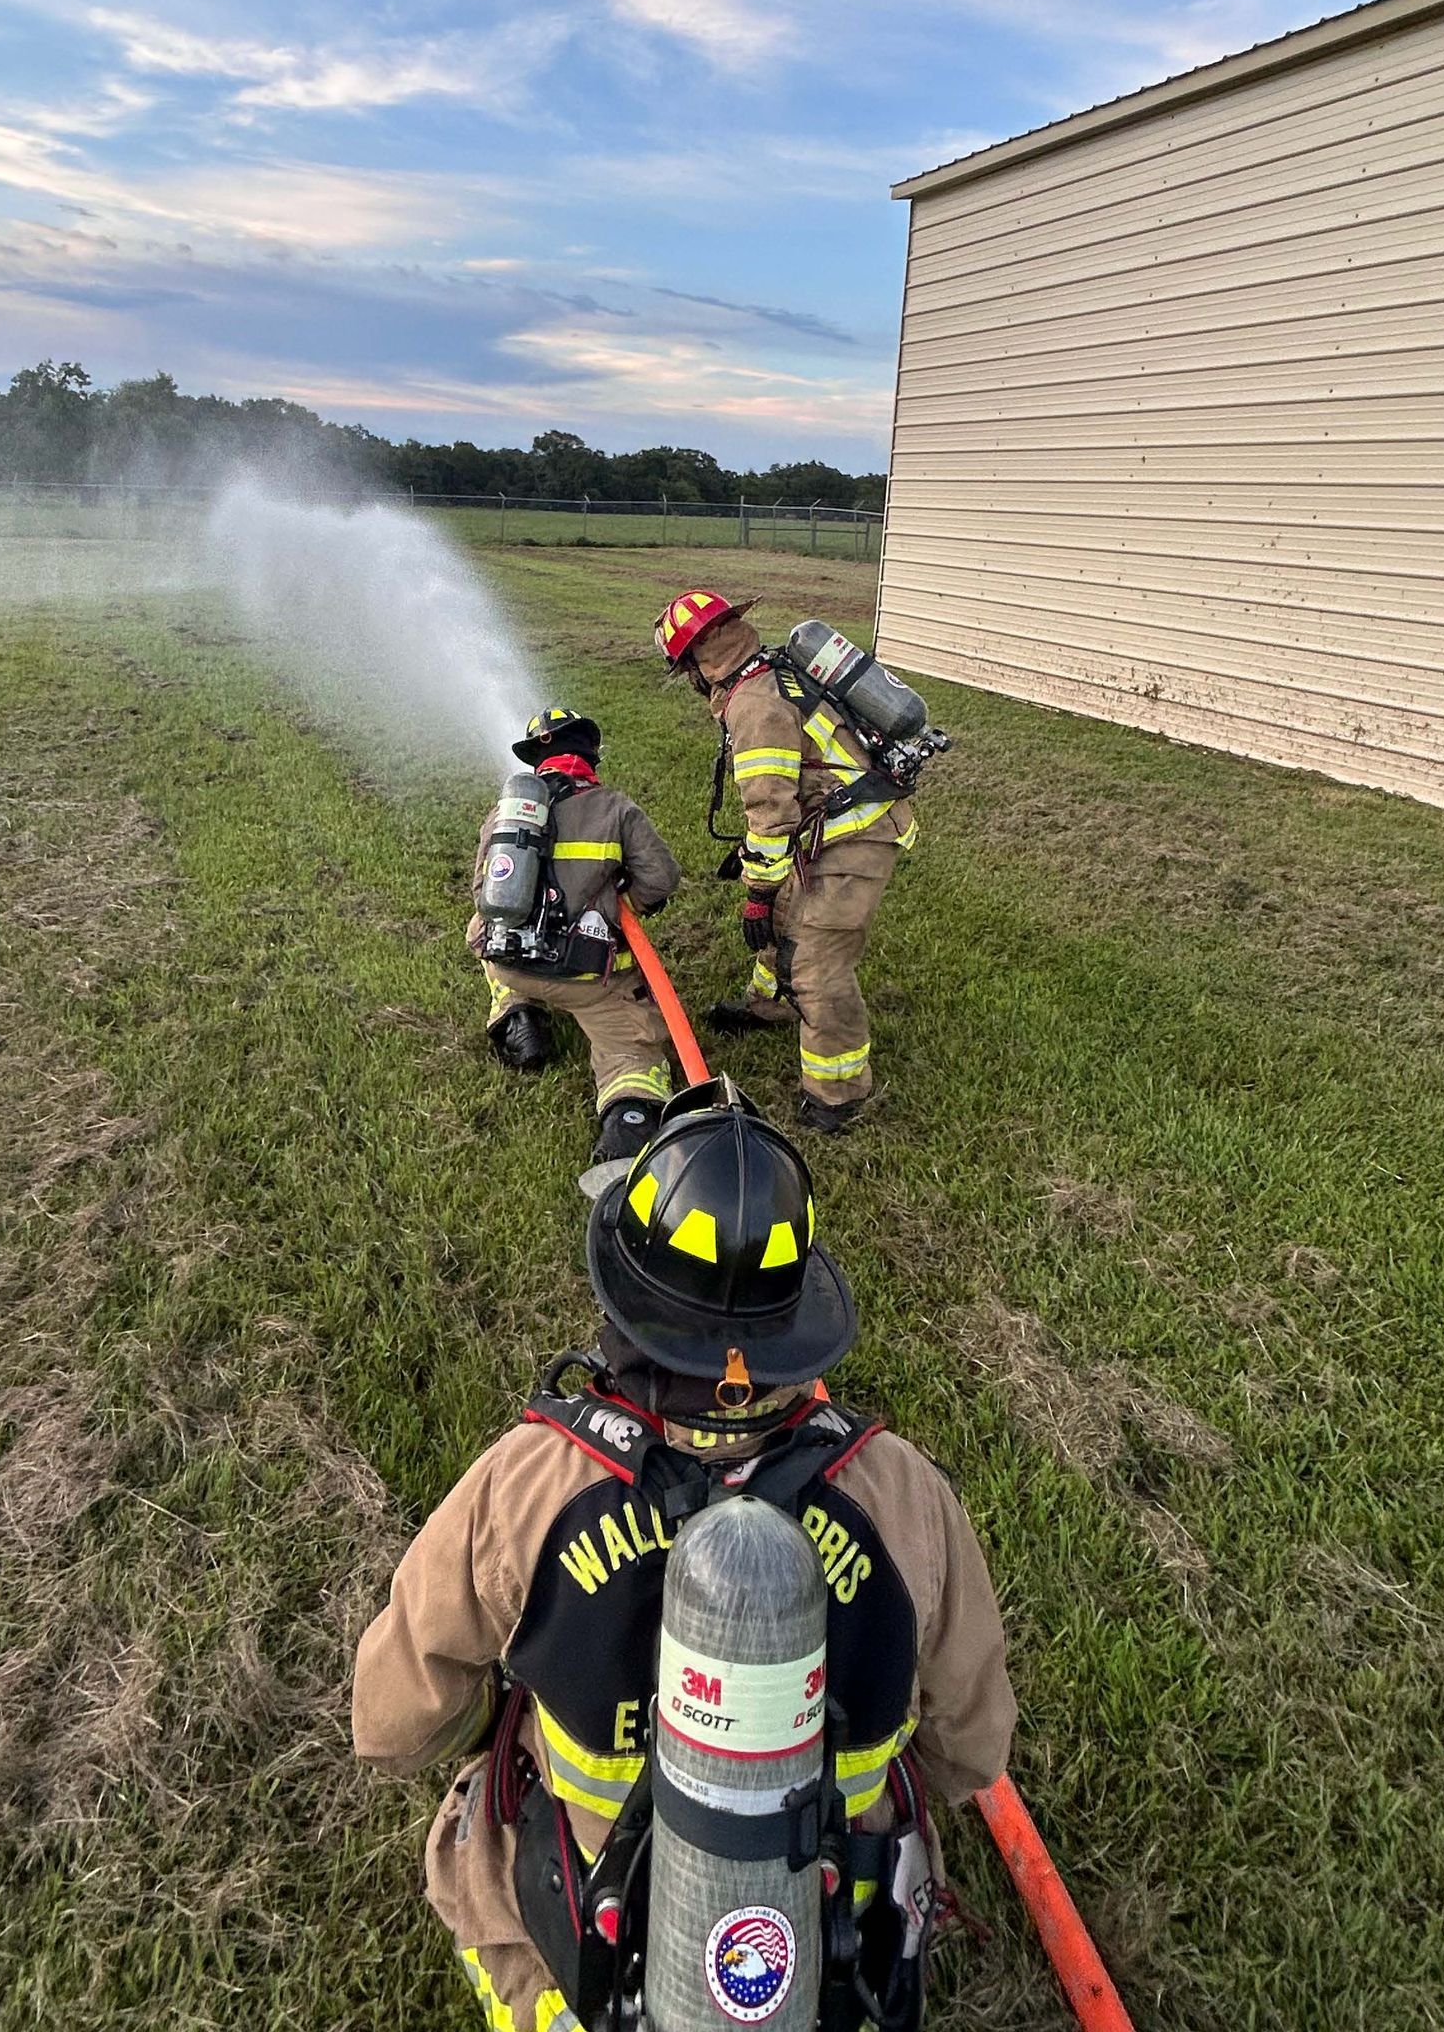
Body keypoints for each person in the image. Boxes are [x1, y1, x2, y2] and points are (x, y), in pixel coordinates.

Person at [352, 1079, 1016, 2032]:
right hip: (831, 1964)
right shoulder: (903, 1492)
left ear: (628, 1308)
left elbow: (391, 1723)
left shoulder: (530, 1484)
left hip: (588, 1955)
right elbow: (969, 1748)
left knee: (471, 1830)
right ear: (795, 1328)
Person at [652, 591, 917, 1133]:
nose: (690, 682)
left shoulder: (754, 704)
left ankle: (838, 1093)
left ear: (702, 657)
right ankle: (769, 1003)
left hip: (858, 835)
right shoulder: (767, 671)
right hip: (825, 825)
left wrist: (757, 891)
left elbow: (770, 814)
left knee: (818, 963)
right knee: (782, 923)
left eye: (686, 669)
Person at [474, 706, 683, 1166]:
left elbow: (481, 892)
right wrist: (624, 902)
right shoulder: (616, 808)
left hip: (513, 966)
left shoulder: (504, 816)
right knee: (631, 1049)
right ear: (591, 755)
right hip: (588, 978)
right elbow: (662, 880)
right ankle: (628, 1125)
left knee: (480, 929)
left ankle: (516, 1015)